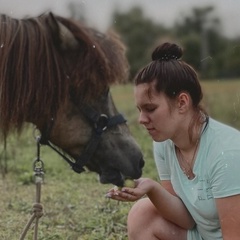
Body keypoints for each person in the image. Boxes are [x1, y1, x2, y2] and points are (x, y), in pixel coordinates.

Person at [106, 42, 240, 240]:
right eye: (139, 110)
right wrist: (151, 188)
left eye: (150, 109)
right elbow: (186, 220)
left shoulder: (227, 154)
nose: (142, 119)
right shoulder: (164, 142)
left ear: (182, 102)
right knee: (142, 214)